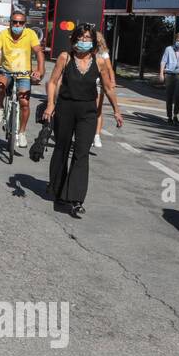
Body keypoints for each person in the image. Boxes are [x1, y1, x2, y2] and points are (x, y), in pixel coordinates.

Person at [44, 24, 123, 218]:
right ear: (74, 40)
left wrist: (116, 110)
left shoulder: (99, 62)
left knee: (81, 153)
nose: (84, 41)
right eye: (81, 37)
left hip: (88, 111)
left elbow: (108, 87)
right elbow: (53, 82)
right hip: (66, 108)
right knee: (62, 148)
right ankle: (58, 189)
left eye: (88, 38)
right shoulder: (65, 57)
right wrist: (50, 105)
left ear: (94, 42)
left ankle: (76, 199)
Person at [0, 10, 44, 148]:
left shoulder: (30, 34)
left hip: (24, 73)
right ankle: (0, 108)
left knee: (24, 103)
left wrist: (39, 70)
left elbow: (38, 52)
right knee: (0, 84)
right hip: (6, 70)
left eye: (21, 22)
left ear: (25, 24)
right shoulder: (3, 34)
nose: (17, 25)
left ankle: (22, 132)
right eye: (15, 22)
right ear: (10, 23)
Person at [159, 30, 179, 125]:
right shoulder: (168, 49)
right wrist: (161, 73)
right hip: (169, 75)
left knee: (178, 96)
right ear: (175, 40)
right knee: (169, 96)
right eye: (178, 40)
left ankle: (175, 115)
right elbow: (163, 61)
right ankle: (169, 116)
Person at [92, 30, 116, 149]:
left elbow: (110, 69)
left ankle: (96, 135)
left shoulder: (103, 54)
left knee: (97, 110)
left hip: (99, 84)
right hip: (86, 85)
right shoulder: (85, 51)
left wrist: (112, 81)